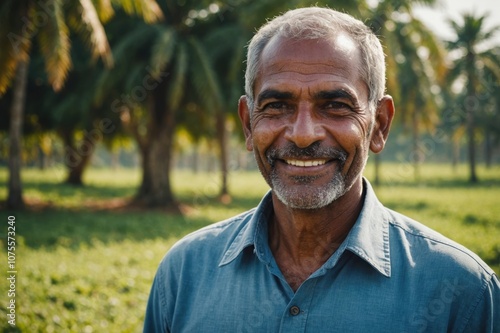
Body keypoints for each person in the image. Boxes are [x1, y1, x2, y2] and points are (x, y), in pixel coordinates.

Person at [143, 7, 499, 332]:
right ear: (249, 125)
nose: (302, 135)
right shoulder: (183, 274)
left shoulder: (461, 291)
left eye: (335, 105)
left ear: (379, 125)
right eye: (277, 105)